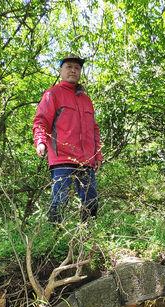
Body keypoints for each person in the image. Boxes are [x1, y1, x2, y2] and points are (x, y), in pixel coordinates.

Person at [32, 54, 102, 223]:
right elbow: (41, 120)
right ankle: (53, 236)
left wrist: (98, 154)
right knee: (60, 200)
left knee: (91, 200)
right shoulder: (52, 94)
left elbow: (94, 129)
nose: (73, 70)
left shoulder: (86, 99)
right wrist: (40, 141)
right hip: (62, 157)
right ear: (61, 70)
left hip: (87, 160)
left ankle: (87, 235)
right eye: (69, 67)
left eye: (77, 68)